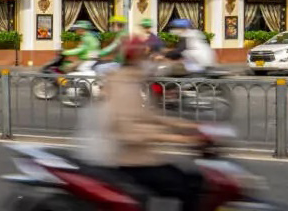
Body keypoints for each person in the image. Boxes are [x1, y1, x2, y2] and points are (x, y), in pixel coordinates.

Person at [75, 35, 203, 211]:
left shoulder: (134, 80)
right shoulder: (123, 84)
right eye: (144, 55)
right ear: (135, 57)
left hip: (144, 157)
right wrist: (179, 139)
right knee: (187, 187)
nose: (149, 59)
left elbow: (149, 116)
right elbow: (129, 132)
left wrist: (188, 126)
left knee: (193, 179)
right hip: (131, 162)